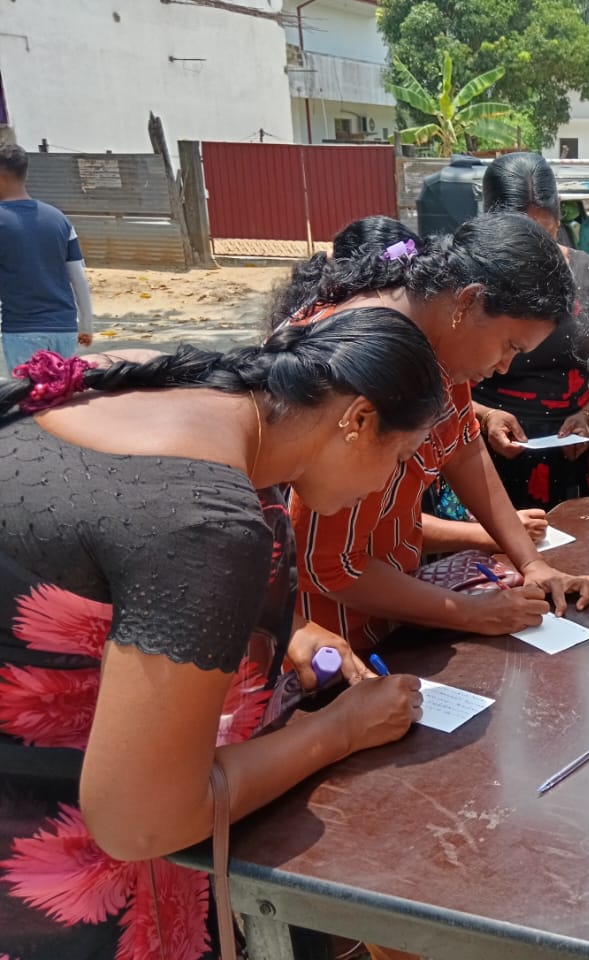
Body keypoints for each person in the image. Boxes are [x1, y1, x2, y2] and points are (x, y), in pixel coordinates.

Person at [0, 310, 446, 959]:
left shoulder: (171, 389)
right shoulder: (206, 522)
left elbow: (112, 561)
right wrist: (341, 730)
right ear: (357, 421)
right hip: (52, 859)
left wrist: (283, 631)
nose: (388, 483)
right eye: (399, 458)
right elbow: (140, 820)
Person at [267, 213, 589, 653]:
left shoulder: (437, 337)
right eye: (510, 347)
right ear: (468, 302)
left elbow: (462, 448)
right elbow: (326, 562)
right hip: (328, 644)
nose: (504, 367)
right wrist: (471, 613)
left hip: (392, 612)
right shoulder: (361, 364)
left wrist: (532, 562)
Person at [474, 152, 589, 510]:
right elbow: (436, 381)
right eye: (520, 236)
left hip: (572, 452)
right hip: (483, 455)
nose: (534, 250)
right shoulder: (467, 279)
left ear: (559, 217)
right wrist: (484, 415)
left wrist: (588, 415)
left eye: (544, 234)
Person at [0, 142, 95, 374]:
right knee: (63, 402)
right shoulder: (59, 219)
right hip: (64, 330)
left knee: (31, 404)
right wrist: (86, 325)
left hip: (22, 332)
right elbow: (78, 277)